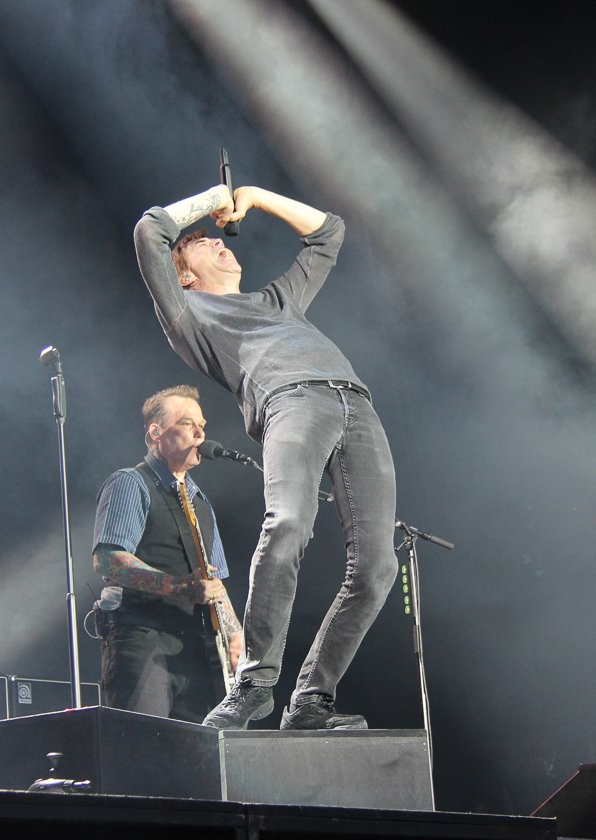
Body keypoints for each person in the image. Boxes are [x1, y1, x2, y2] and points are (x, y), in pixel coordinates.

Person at [132, 181, 397, 731]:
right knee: (289, 526)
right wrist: (215, 199)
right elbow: (150, 231)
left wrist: (253, 195)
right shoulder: (189, 314)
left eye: (219, 239)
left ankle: (311, 701)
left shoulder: (279, 301)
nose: (222, 244)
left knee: (377, 567)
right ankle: (253, 682)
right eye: (205, 244)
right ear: (184, 273)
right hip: (291, 403)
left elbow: (328, 233)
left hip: (357, 405)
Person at [90, 384, 243, 724]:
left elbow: (214, 580)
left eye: (202, 425)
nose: (201, 432)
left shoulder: (201, 502)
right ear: (156, 432)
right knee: (146, 749)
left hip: (195, 647)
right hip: (142, 637)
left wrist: (235, 634)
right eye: (188, 423)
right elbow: (109, 558)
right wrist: (178, 587)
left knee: (200, 758)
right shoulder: (130, 483)